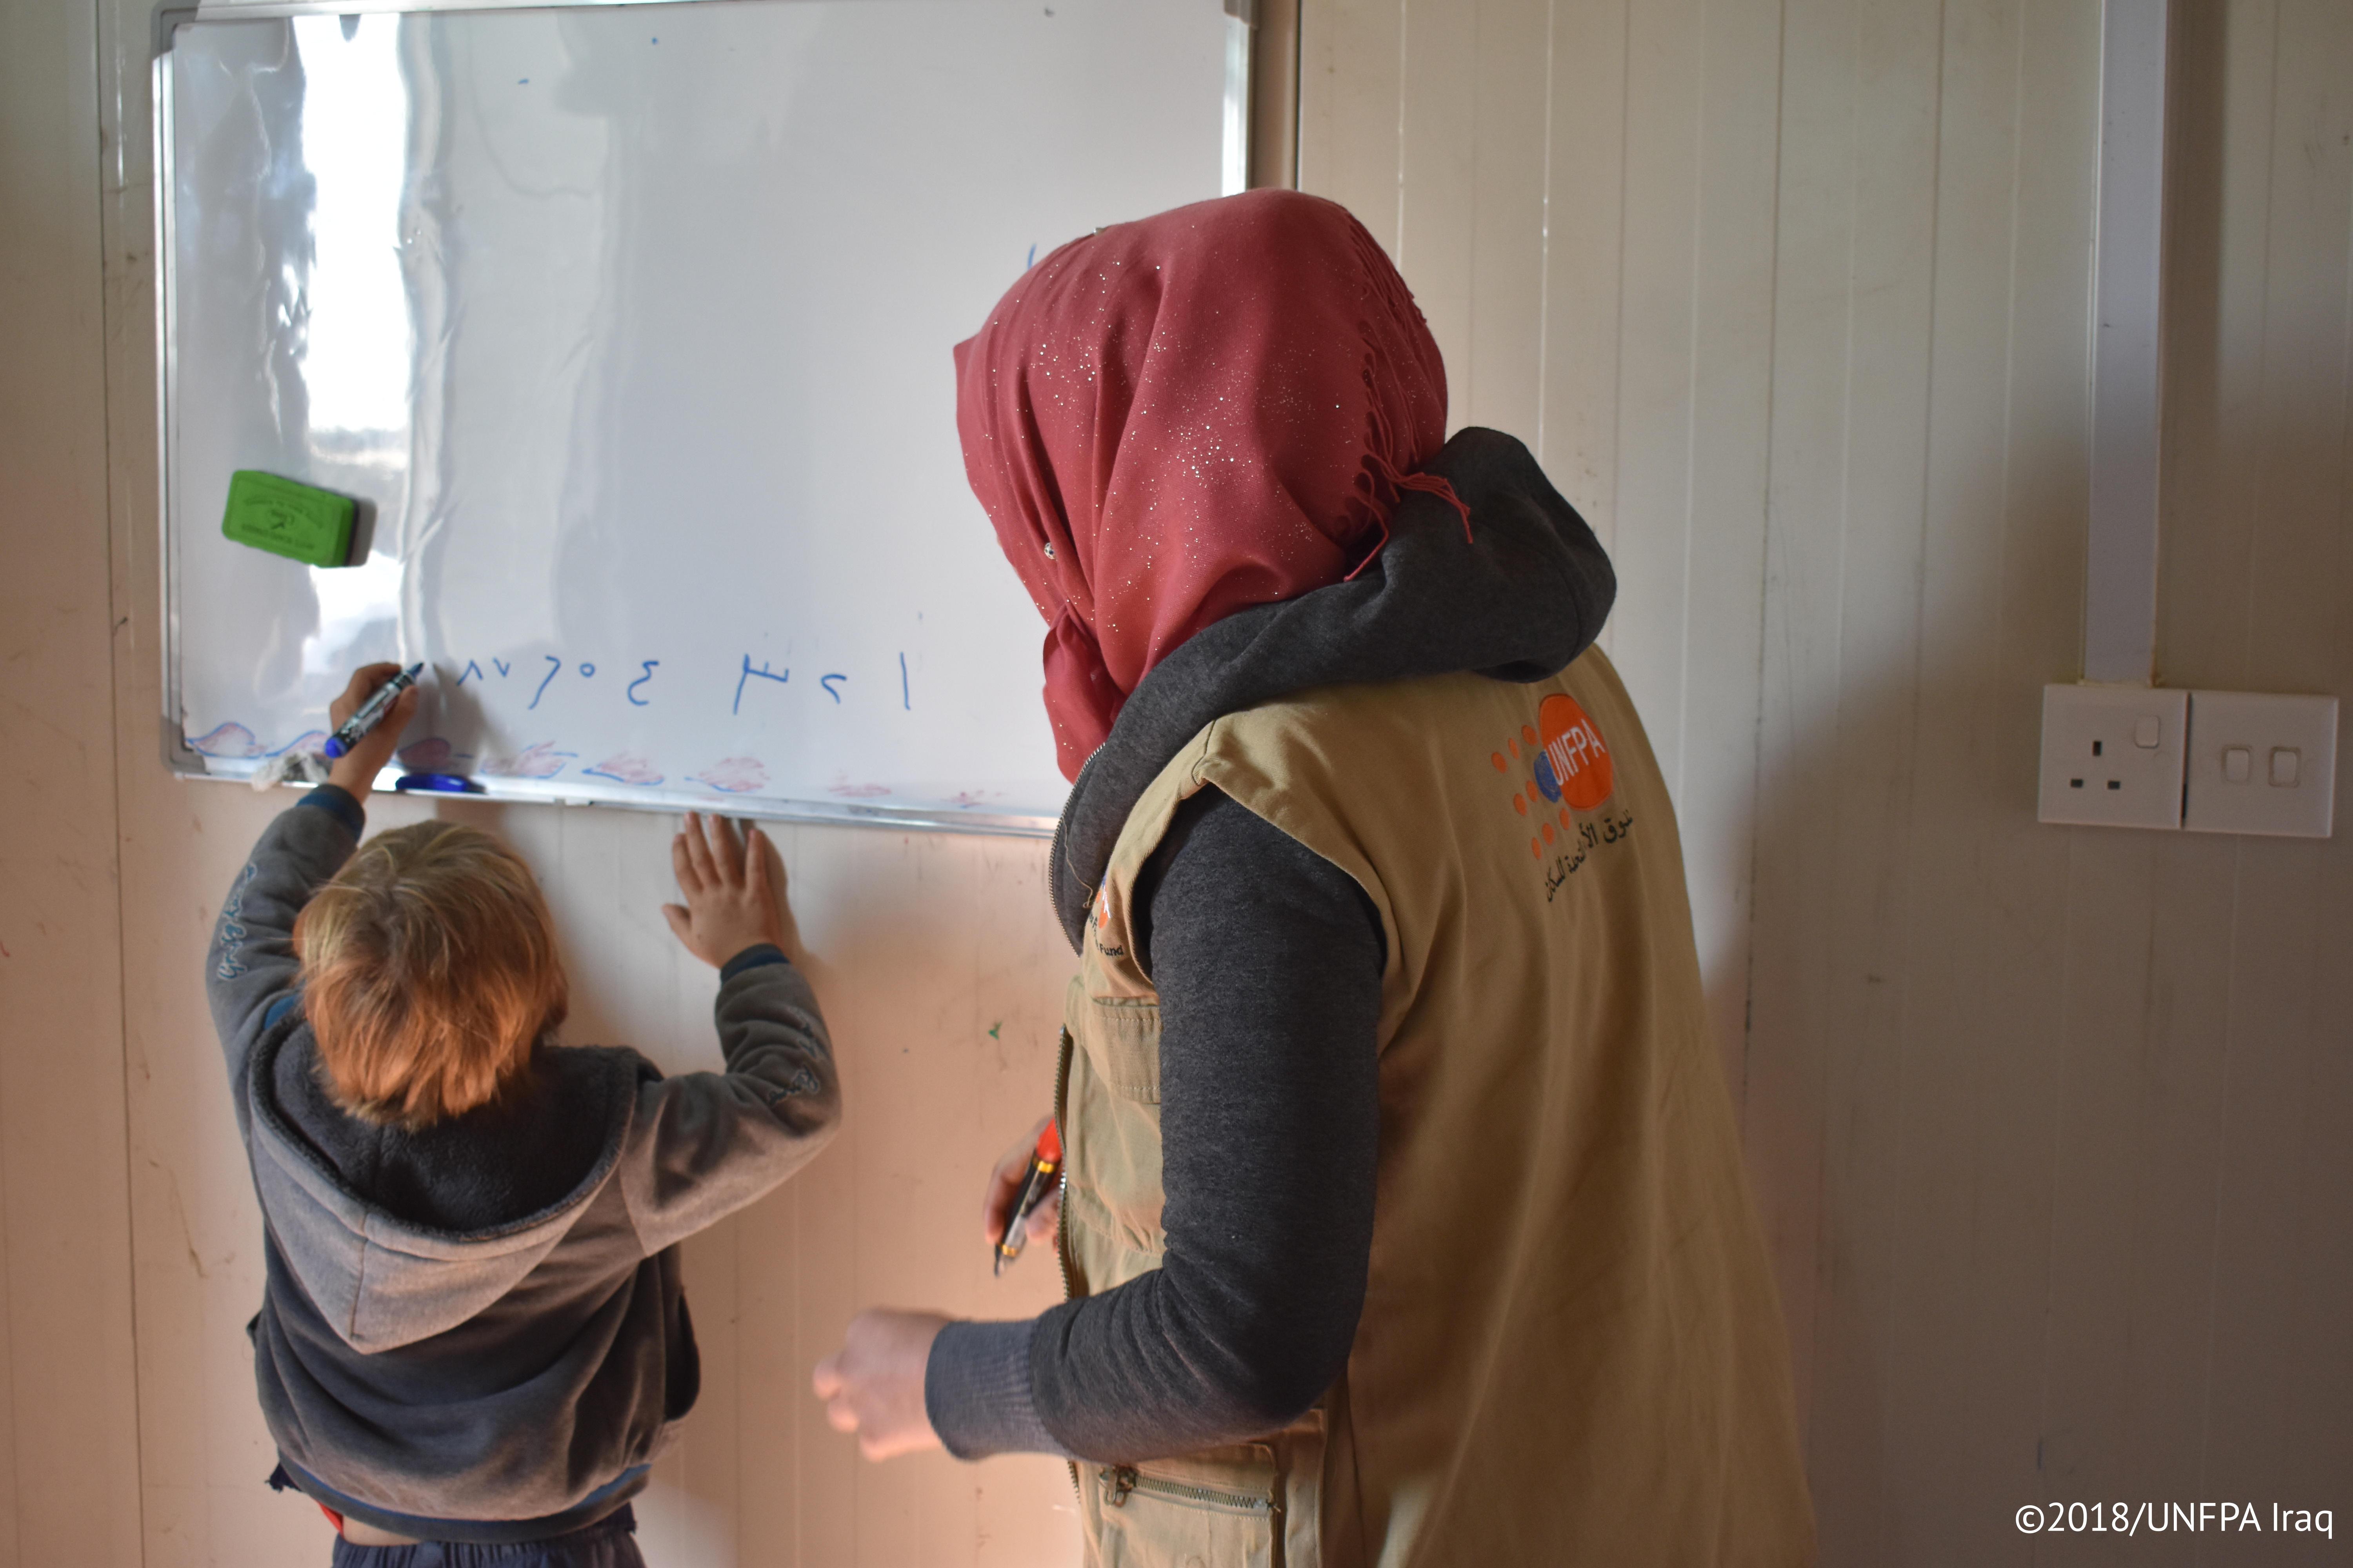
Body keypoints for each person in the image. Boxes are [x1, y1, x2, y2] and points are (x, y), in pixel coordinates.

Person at [811, 191, 1815, 1564]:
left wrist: (942, 1384)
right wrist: (1115, 1148)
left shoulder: (1260, 809)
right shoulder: (1534, 663)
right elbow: (1455, 1051)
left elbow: (1241, 1340)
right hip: (1648, 1475)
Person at [207, 663, 840, 1566]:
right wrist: (752, 956)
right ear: (545, 987)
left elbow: (246, 924)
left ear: (320, 988)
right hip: (552, 1545)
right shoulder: (609, 1142)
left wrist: (346, 775)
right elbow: (797, 1100)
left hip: (366, 1528)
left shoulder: (271, 1068)